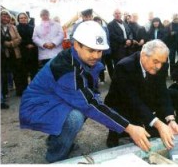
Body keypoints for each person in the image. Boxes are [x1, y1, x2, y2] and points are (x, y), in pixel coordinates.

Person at [20, 21, 151, 163]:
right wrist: (129, 127)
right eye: (91, 50)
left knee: (88, 108)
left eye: (99, 51)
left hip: (56, 99)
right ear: (76, 45)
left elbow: (92, 94)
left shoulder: (82, 60)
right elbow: (89, 104)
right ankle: (56, 158)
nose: (96, 56)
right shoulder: (67, 69)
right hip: (37, 106)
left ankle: (58, 139)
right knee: (76, 116)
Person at [105, 39, 178, 149]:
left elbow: (162, 91)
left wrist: (170, 119)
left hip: (143, 98)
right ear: (144, 55)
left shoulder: (161, 65)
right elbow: (132, 100)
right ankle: (115, 134)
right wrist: (158, 124)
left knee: (173, 94)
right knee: (145, 128)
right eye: (156, 61)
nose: (159, 66)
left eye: (162, 63)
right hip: (122, 103)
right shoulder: (124, 66)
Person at [17, 12, 38, 83]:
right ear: (18, 19)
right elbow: (17, 39)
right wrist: (27, 44)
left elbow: (36, 38)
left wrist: (33, 44)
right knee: (23, 73)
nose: (23, 19)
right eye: (21, 18)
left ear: (27, 18)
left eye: (25, 18)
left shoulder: (32, 27)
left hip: (33, 52)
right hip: (22, 52)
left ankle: (34, 88)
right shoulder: (16, 28)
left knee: (34, 71)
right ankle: (24, 90)